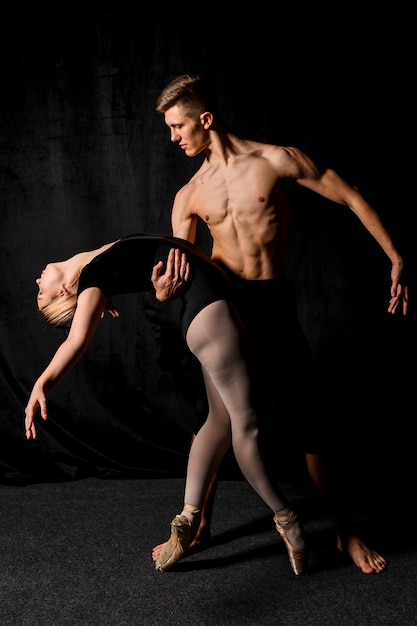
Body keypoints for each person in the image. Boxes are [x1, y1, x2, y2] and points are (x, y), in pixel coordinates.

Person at [151, 74, 409, 575]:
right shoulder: (189, 195)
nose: (174, 137)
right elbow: (180, 272)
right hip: (227, 306)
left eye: (178, 126)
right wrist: (166, 292)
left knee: (312, 422)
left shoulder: (276, 161)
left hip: (273, 301)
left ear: (205, 119)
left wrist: (395, 256)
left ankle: (345, 532)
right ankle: (197, 524)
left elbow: (349, 195)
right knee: (219, 420)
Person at [24, 233, 310, 575]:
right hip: (210, 312)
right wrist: (43, 382)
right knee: (246, 427)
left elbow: (139, 261)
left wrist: (100, 296)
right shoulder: (91, 279)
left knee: (219, 423)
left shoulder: (95, 269)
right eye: (42, 292)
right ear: (64, 293)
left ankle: (188, 517)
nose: (37, 281)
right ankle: (287, 519)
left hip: (205, 312)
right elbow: (77, 340)